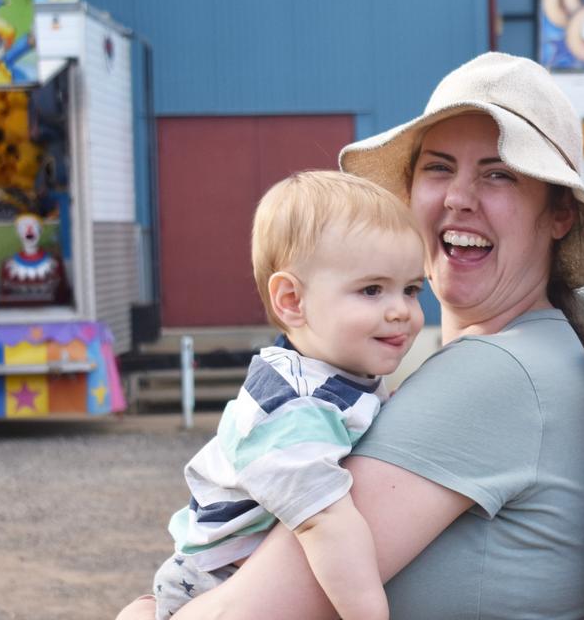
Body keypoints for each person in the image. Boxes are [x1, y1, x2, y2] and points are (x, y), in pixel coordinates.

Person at [117, 52, 584, 620]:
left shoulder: (497, 373)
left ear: (560, 216)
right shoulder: (539, 349)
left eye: (497, 172)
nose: (459, 195)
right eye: (438, 167)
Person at [150, 171, 426, 620]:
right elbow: (324, 522)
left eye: (412, 289)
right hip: (216, 582)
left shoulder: (342, 372)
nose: (401, 310)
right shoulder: (291, 408)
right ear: (292, 301)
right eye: (372, 289)